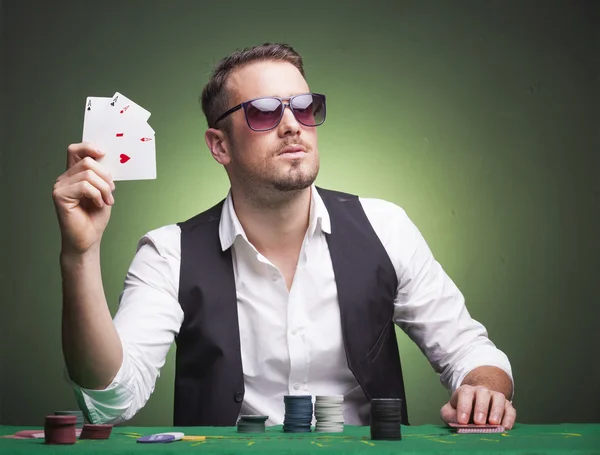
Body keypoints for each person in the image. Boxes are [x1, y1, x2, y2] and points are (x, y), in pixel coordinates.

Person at [52, 43, 516, 429]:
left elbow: (470, 351)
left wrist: (484, 388)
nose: (293, 125)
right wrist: (80, 254)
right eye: (263, 112)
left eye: (304, 107)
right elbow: (110, 403)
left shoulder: (386, 227)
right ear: (220, 145)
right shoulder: (168, 252)